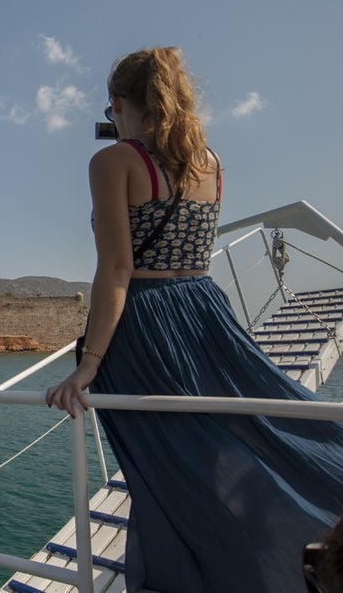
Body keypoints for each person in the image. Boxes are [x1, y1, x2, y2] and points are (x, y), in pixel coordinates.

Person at [45, 47, 343, 592]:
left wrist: (87, 365)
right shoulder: (211, 162)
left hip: (144, 324)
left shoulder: (111, 162)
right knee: (253, 428)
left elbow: (116, 268)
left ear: (117, 103)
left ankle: (185, 574)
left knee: (165, 467)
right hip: (207, 312)